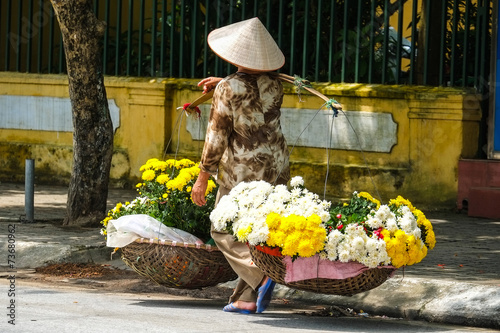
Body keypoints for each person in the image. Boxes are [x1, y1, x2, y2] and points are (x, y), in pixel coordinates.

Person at [191, 17, 290, 314]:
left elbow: (216, 137)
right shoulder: (276, 83)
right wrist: (221, 83)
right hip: (277, 166)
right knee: (256, 232)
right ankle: (246, 299)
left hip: (244, 171)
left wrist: (202, 177)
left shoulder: (228, 89)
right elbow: (252, 89)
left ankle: (260, 276)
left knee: (222, 228)